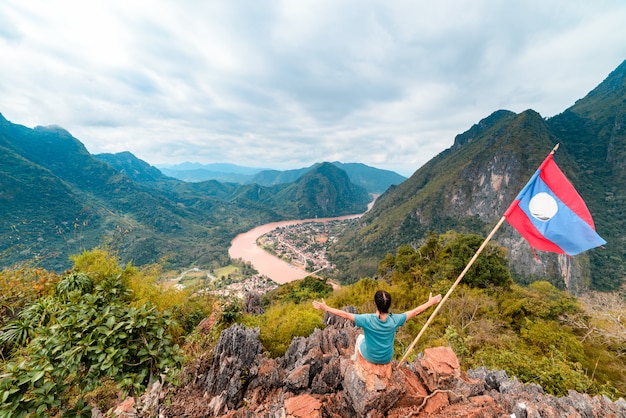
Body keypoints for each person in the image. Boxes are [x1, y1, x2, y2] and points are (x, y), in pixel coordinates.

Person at [312, 290, 442, 364]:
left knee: (359, 338)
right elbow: (415, 312)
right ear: (389, 305)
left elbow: (344, 314)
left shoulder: (367, 319)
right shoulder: (395, 320)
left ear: (375, 303)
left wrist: (325, 307)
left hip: (370, 356)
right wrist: (430, 302)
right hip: (387, 357)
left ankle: (355, 360)